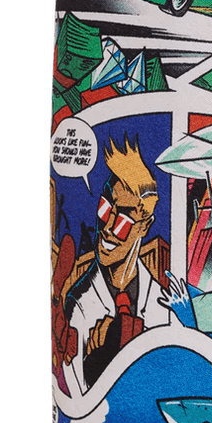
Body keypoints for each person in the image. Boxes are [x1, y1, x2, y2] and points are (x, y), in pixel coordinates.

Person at [62, 136, 169, 395]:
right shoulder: (78, 304)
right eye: (105, 209)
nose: (107, 228)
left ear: (144, 226)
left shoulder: (162, 306)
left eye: (122, 220)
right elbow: (76, 398)